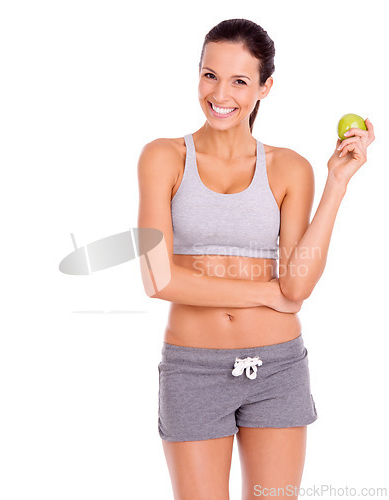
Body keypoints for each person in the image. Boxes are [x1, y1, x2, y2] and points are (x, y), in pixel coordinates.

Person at [137, 18, 375, 500]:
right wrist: (267, 292)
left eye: (240, 81)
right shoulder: (163, 157)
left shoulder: (290, 168)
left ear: (266, 87)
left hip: (278, 368)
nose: (220, 93)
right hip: (193, 369)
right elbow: (157, 278)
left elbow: (299, 286)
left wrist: (336, 184)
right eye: (210, 75)